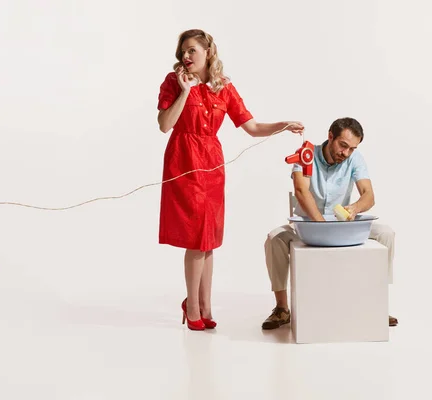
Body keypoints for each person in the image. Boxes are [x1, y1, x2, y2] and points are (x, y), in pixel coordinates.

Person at [156, 29, 304, 331]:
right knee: (196, 237)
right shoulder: (174, 82)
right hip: (184, 159)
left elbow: (251, 126)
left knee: (208, 238)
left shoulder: (224, 87)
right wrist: (185, 91)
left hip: (211, 161)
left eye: (192, 50)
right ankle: (193, 306)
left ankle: (206, 306)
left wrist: (283, 125)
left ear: (208, 52)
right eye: (183, 51)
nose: (186, 56)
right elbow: (164, 125)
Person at [262, 117, 398, 329]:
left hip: (341, 227)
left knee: (386, 233)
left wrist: (354, 208)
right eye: (343, 145)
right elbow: (301, 190)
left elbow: (369, 196)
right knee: (274, 239)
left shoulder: (354, 159)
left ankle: (377, 304)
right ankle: (281, 308)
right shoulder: (306, 154)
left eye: (352, 149)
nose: (346, 153)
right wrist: (320, 224)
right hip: (306, 226)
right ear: (330, 136)